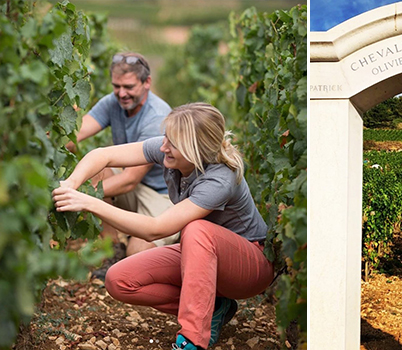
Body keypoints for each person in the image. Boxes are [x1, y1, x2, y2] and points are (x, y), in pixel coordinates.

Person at [52, 103, 273, 350]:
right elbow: (104, 155)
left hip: (249, 264)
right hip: (201, 254)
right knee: (119, 280)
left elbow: (156, 228)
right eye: (166, 137)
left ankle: (192, 340)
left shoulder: (220, 178)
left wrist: (91, 203)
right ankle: (216, 308)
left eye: (173, 143)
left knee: (196, 229)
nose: (163, 146)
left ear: (195, 148)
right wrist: (70, 184)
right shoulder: (171, 151)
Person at [66, 52, 175, 257]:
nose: (122, 93)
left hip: (162, 196)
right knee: (95, 168)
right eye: (116, 86)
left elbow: (128, 181)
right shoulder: (112, 103)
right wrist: (55, 131)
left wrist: (81, 197)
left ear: (147, 82)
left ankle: (171, 237)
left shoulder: (156, 117)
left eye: (129, 87)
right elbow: (76, 134)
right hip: (134, 190)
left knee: (137, 257)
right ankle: (112, 250)